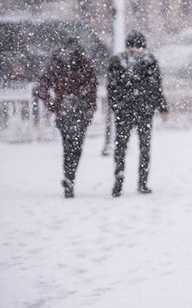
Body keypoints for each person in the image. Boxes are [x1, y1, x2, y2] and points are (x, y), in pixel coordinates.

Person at [107, 30, 169, 197]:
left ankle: (119, 179)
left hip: (124, 111)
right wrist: (162, 107)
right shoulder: (149, 60)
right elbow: (156, 87)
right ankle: (142, 182)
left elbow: (111, 88)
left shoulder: (117, 61)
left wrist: (116, 106)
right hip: (144, 111)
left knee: (121, 147)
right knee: (144, 147)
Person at [36, 37, 98, 198]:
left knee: (68, 146)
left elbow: (42, 87)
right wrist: (90, 107)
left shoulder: (57, 64)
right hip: (79, 110)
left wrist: (53, 104)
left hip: (65, 109)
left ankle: (69, 176)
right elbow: (92, 88)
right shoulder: (83, 64)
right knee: (76, 147)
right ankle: (70, 177)